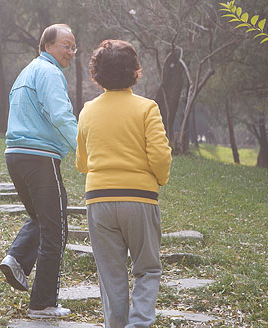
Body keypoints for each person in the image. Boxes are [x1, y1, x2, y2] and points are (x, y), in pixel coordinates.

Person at [75, 40, 172, 328]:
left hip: (99, 200)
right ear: (135, 71)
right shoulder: (146, 108)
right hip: (139, 199)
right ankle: (139, 324)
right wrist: (160, 179)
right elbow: (160, 156)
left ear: (96, 74)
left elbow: (82, 162)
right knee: (148, 269)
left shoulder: (87, 110)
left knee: (111, 274)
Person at [0, 23, 78, 319]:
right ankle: (43, 304)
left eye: (73, 47)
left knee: (41, 219)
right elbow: (60, 115)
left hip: (15, 155)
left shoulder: (27, 72)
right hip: (39, 157)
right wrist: (85, 149)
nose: (71, 52)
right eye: (65, 46)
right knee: (56, 228)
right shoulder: (50, 73)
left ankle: (16, 259)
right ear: (47, 46)